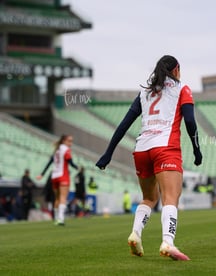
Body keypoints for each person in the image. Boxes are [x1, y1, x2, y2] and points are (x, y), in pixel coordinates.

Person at [96, 55, 202, 261]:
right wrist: (197, 150)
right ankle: (168, 242)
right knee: (170, 197)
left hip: (142, 150)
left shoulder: (144, 93)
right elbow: (190, 121)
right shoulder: (182, 89)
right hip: (165, 147)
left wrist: (108, 154)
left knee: (150, 198)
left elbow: (124, 125)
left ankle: (135, 234)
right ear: (177, 70)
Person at [37, 135, 78, 226]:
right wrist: (76, 167)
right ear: (64, 141)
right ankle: (61, 219)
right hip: (63, 175)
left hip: (54, 176)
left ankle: (56, 218)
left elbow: (49, 163)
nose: (70, 143)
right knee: (63, 197)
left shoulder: (57, 150)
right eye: (69, 141)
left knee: (57, 198)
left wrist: (42, 174)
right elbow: (70, 162)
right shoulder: (65, 149)